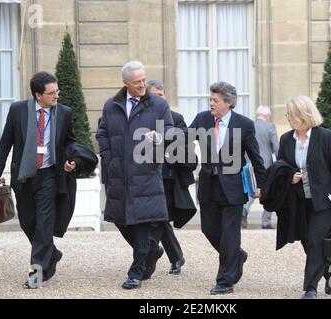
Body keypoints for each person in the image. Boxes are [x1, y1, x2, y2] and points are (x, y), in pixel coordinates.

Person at [0, 71, 77, 289]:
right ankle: (52, 253)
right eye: (52, 93)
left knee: (44, 225)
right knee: (28, 222)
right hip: (24, 175)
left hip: (49, 175)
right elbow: (5, 142)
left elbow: (70, 142)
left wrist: (71, 160)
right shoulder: (18, 110)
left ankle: (37, 272)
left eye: (57, 91)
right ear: (38, 95)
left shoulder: (64, 112)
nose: (57, 96)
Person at [96, 61, 174, 289]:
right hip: (119, 174)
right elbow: (102, 133)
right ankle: (151, 250)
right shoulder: (111, 105)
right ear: (125, 83)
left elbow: (170, 129)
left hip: (146, 172)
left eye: (144, 80)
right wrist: (109, 159)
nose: (142, 85)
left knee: (141, 224)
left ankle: (135, 273)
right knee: (120, 220)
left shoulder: (158, 105)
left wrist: (158, 137)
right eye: (137, 82)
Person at [187, 81, 266, 295]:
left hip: (233, 188)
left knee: (230, 234)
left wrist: (264, 188)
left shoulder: (245, 125)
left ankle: (225, 280)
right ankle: (237, 256)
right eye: (210, 99)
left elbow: (257, 159)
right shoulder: (202, 119)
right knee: (209, 229)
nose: (210, 103)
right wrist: (160, 139)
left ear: (229, 103)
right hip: (208, 185)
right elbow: (184, 139)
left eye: (215, 100)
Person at [277, 95, 331, 299]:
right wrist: (290, 177)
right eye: (288, 115)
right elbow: (281, 167)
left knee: (316, 240)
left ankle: (309, 288)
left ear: (305, 115)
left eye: (293, 115)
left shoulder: (326, 137)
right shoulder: (286, 139)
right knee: (307, 241)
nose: (289, 118)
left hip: (325, 201)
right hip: (299, 201)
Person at [147, 80, 197, 275]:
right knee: (158, 219)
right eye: (156, 95)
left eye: (162, 94)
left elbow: (187, 146)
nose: (161, 98)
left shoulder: (176, 118)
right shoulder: (142, 118)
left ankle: (148, 255)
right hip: (146, 176)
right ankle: (175, 256)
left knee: (159, 218)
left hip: (168, 178)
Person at [242, 105, 279, 229]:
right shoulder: (270, 127)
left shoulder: (249, 125)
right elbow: (276, 148)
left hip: (248, 163)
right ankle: (265, 221)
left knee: (251, 189)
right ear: (267, 116)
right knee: (269, 192)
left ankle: (244, 210)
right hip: (266, 165)